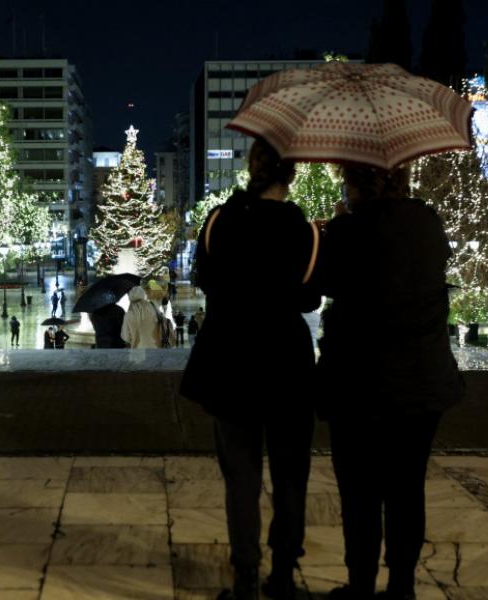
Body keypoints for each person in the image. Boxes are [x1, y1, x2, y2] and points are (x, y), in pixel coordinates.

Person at [180, 137, 320, 600]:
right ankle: (282, 575)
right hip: (286, 363)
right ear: (290, 173)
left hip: (233, 360)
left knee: (240, 475)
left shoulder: (220, 220)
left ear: (251, 168)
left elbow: (204, 280)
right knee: (290, 474)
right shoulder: (303, 228)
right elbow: (309, 298)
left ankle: (244, 579)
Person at [317, 164, 463, 600]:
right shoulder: (427, 220)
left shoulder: (348, 230)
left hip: (360, 386)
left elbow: (323, 282)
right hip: (422, 383)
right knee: (406, 488)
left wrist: (337, 225)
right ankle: (403, 585)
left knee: (360, 494)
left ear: (357, 184)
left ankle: (360, 585)